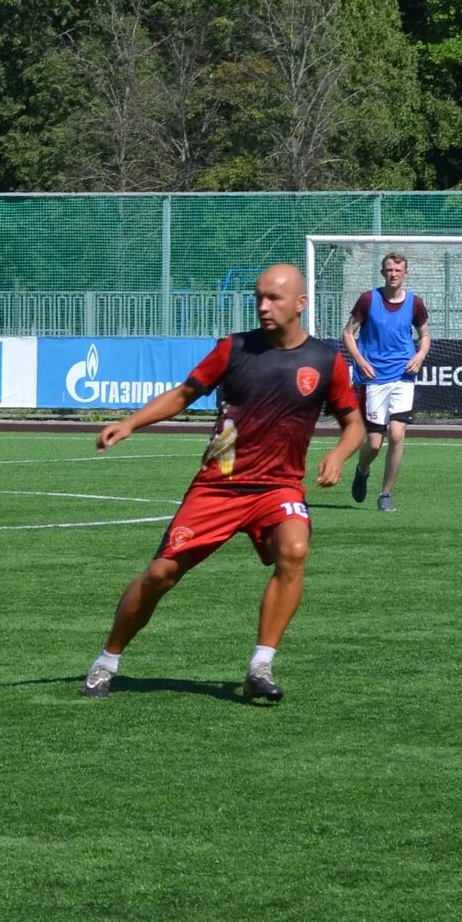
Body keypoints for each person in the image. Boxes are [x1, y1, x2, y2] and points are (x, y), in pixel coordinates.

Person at [82, 263, 362, 704]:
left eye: (275, 298)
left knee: (293, 550)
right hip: (220, 486)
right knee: (160, 574)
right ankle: (106, 660)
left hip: (278, 488)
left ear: (301, 304)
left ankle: (260, 665)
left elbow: (354, 424)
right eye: (259, 297)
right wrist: (131, 423)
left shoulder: (325, 361)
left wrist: (339, 455)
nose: (263, 306)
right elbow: (183, 394)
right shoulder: (233, 349)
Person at [343, 251, 431, 513]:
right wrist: (360, 360)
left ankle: (385, 494)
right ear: (383, 273)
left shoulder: (415, 303)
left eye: (397, 270)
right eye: (389, 270)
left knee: (396, 434)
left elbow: (424, 334)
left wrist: (420, 355)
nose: (393, 274)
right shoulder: (369, 299)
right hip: (373, 378)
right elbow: (348, 333)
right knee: (373, 443)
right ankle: (362, 469)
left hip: (403, 375)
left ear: (406, 273)